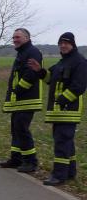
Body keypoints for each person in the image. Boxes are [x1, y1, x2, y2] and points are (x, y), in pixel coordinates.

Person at [28, 32, 87, 186]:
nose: (63, 45)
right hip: (58, 111)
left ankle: (59, 175)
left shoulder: (80, 62)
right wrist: (40, 71)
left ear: (73, 44)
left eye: (66, 43)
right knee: (66, 142)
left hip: (68, 110)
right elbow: (50, 79)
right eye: (61, 43)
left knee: (62, 142)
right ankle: (70, 172)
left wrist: (62, 100)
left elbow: (79, 86)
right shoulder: (62, 62)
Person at [0, 28, 43, 172]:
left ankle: (31, 161)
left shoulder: (33, 52)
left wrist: (18, 89)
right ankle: (16, 159)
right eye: (13, 38)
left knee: (22, 130)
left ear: (27, 38)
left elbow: (31, 75)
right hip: (19, 100)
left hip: (27, 100)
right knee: (16, 129)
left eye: (17, 37)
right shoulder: (23, 52)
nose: (15, 40)